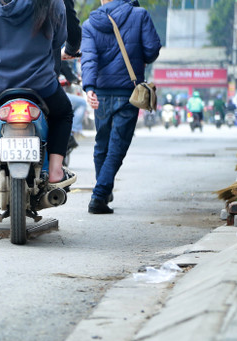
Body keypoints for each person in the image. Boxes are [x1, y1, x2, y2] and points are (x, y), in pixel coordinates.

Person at [0, 0, 76, 189]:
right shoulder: (53, 2)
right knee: (63, 114)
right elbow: (58, 40)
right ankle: (56, 171)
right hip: (41, 84)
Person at [81, 0, 161, 214]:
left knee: (102, 143)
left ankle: (103, 190)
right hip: (129, 92)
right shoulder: (139, 15)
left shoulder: (90, 24)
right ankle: (99, 195)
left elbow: (89, 58)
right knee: (117, 147)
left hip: (101, 93)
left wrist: (89, 88)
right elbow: (152, 50)